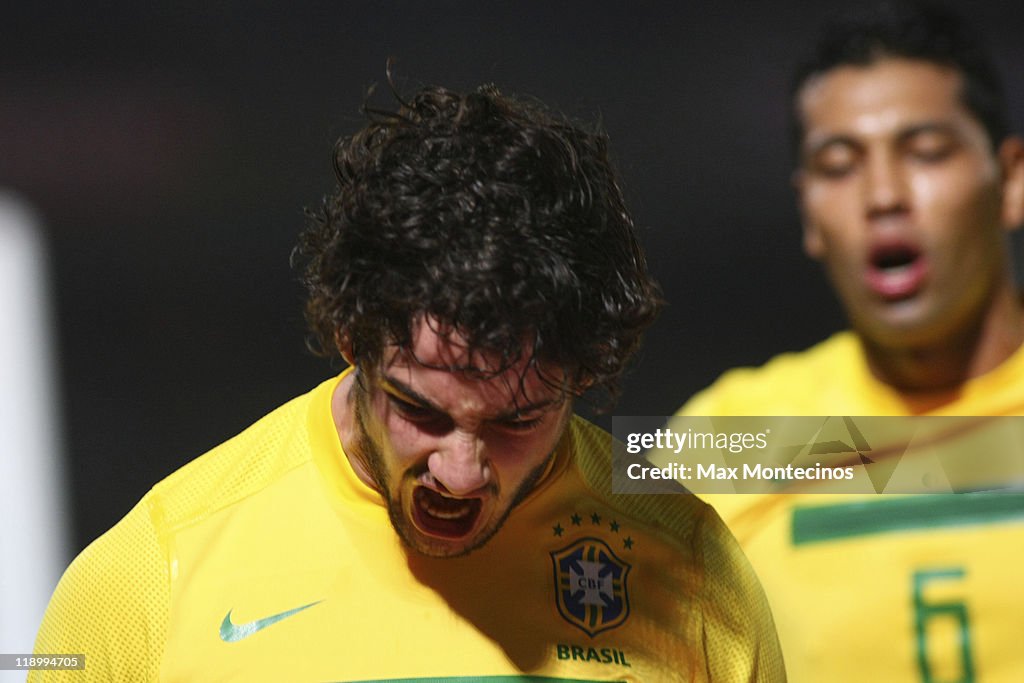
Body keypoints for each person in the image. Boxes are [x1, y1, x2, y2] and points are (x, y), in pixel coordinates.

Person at [33, 82, 784, 681]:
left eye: (515, 421)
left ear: (584, 374)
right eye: (420, 411)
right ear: (349, 336)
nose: (460, 473)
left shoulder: (693, 575)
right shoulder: (149, 581)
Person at [677, 2, 1024, 682]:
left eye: (926, 151)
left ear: (1011, 181)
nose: (883, 194)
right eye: (839, 165)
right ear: (808, 211)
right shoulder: (725, 442)